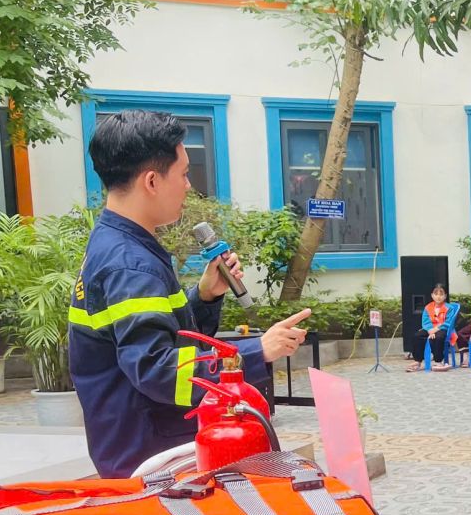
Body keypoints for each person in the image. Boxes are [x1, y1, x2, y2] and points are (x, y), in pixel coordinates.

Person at [69, 110, 305, 477]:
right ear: (151, 181)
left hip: (134, 444)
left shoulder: (116, 244)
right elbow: (158, 371)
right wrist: (255, 352)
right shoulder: (130, 263)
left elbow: (158, 339)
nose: (188, 186)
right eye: (182, 174)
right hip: (153, 458)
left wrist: (205, 297)